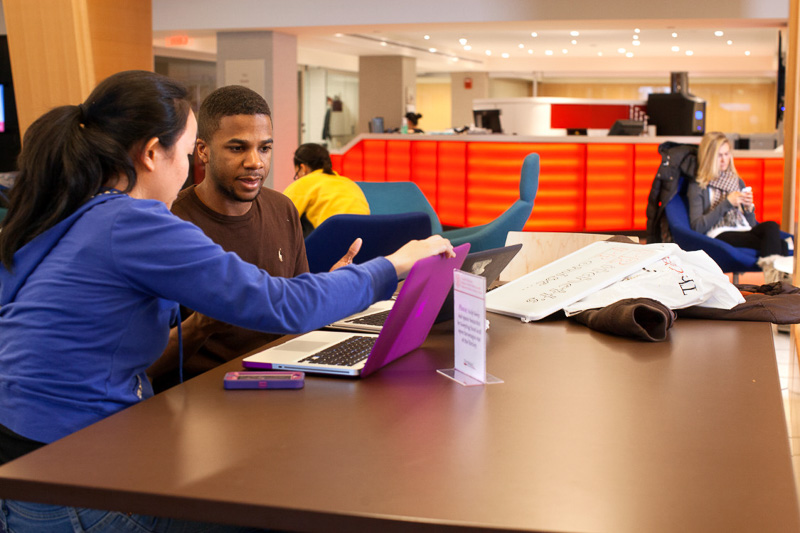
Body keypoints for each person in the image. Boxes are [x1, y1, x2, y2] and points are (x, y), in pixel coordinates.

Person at [0, 70, 453, 532]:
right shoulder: (134, 223)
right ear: (154, 153)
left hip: (30, 468)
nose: (190, 169)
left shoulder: (64, 211)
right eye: (191, 149)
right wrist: (395, 264)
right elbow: (281, 303)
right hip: (77, 482)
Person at [147, 86, 361, 391]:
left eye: (264, 148)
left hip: (284, 379)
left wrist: (328, 292)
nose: (255, 162)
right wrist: (203, 324)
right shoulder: (170, 225)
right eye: (237, 148)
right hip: (208, 396)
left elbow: (296, 317)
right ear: (203, 151)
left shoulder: (282, 208)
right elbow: (151, 364)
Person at [688, 131, 789, 279]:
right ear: (709, 157)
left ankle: (774, 285)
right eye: (719, 155)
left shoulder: (736, 181)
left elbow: (752, 224)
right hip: (718, 233)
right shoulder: (699, 186)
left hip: (742, 229)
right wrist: (727, 203)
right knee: (782, 245)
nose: (724, 160)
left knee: (772, 226)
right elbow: (697, 227)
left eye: (727, 154)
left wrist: (748, 208)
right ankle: (776, 286)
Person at [283, 143, 370, 236]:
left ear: (303, 168)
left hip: (331, 240)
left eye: (297, 173)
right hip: (363, 239)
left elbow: (280, 218)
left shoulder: (303, 183)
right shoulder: (350, 184)